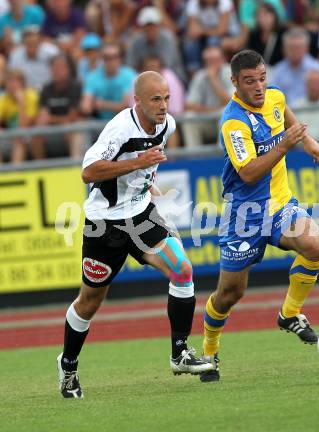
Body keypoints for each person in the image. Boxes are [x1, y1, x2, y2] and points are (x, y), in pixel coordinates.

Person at [56, 71, 213, 399]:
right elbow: (88, 171)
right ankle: (68, 365)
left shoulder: (167, 124)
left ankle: (180, 353)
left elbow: (145, 166)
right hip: (105, 226)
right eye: (156, 99)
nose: (163, 105)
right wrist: (138, 163)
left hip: (141, 217)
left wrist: (147, 183)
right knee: (90, 301)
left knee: (182, 269)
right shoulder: (120, 129)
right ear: (137, 100)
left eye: (167, 98)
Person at [198, 50, 319, 382]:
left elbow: (284, 111)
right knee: (229, 294)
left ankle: (290, 314)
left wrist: (307, 138)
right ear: (235, 83)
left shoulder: (274, 97)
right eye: (249, 81)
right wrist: (284, 144)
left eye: (262, 78)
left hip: (280, 204)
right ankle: (209, 352)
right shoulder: (233, 122)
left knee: (314, 244)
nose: (258, 87)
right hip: (246, 215)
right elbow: (250, 172)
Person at [31, 53, 83, 159]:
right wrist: (49, 120)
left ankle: (74, 170)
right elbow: (42, 116)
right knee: (36, 136)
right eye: (53, 67)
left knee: (75, 135)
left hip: (69, 129)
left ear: (68, 69)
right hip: (51, 130)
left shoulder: (75, 86)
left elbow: (72, 117)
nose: (55, 70)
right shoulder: (46, 89)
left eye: (59, 67)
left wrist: (50, 119)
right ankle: (41, 170)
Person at [182, 45, 233, 147]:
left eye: (214, 60)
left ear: (222, 59)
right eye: (208, 61)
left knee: (224, 113)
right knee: (189, 116)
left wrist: (213, 80)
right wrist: (211, 110)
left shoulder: (230, 72)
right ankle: (194, 157)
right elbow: (189, 105)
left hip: (226, 120)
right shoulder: (200, 75)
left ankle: (222, 156)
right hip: (208, 119)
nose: (211, 64)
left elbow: (231, 103)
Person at [80, 42, 136, 120]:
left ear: (120, 58)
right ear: (102, 59)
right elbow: (86, 107)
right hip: (98, 123)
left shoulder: (129, 75)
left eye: (114, 57)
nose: (111, 61)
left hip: (124, 122)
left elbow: (127, 106)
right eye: (107, 58)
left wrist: (102, 104)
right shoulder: (92, 77)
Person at [270, 27, 319, 106]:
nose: (295, 51)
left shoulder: (317, 68)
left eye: (298, 47)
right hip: (286, 114)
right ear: (284, 49)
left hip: (312, 111)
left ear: (307, 48)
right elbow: (272, 97)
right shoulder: (278, 70)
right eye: (291, 48)